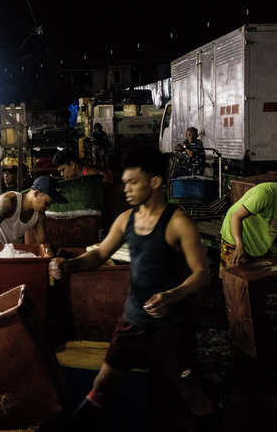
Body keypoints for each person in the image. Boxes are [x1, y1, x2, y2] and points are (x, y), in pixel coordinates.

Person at [48, 149, 215, 430]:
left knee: (192, 394)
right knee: (102, 384)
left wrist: (173, 295)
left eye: (133, 182)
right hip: (133, 321)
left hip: (171, 327)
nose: (126, 189)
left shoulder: (178, 223)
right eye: (124, 183)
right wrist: (69, 265)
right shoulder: (126, 219)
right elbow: (99, 254)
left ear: (155, 182)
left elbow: (202, 273)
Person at [0, 175, 66, 245]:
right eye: (47, 203)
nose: (47, 208)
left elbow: (42, 242)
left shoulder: (39, 215)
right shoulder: (9, 201)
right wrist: (3, 251)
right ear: (36, 193)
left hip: (2, 251)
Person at [219, 182, 277, 274]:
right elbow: (236, 217)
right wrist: (239, 246)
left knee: (258, 281)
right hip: (236, 234)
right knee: (235, 279)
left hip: (258, 236)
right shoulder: (265, 193)